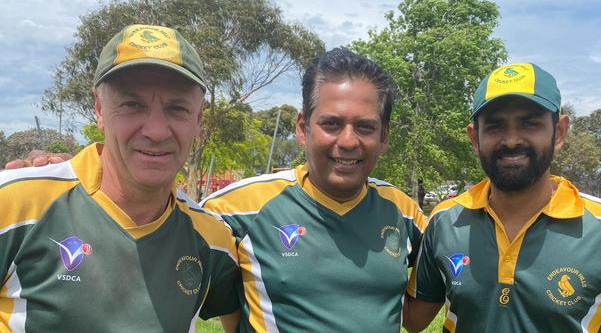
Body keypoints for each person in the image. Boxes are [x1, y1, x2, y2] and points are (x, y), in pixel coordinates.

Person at [0, 24, 241, 332]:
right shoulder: (14, 206)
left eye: (177, 108)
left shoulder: (213, 240)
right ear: (99, 109)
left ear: (197, 121)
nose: (155, 131)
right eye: (132, 105)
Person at [403, 63, 601, 332]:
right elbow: (412, 320)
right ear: (474, 138)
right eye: (495, 125)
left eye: (529, 123)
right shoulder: (445, 221)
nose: (511, 140)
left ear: (559, 132)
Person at [200, 47, 428, 332]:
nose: (347, 141)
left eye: (365, 127)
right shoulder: (234, 211)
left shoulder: (405, 214)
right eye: (331, 124)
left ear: (384, 137)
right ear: (302, 127)